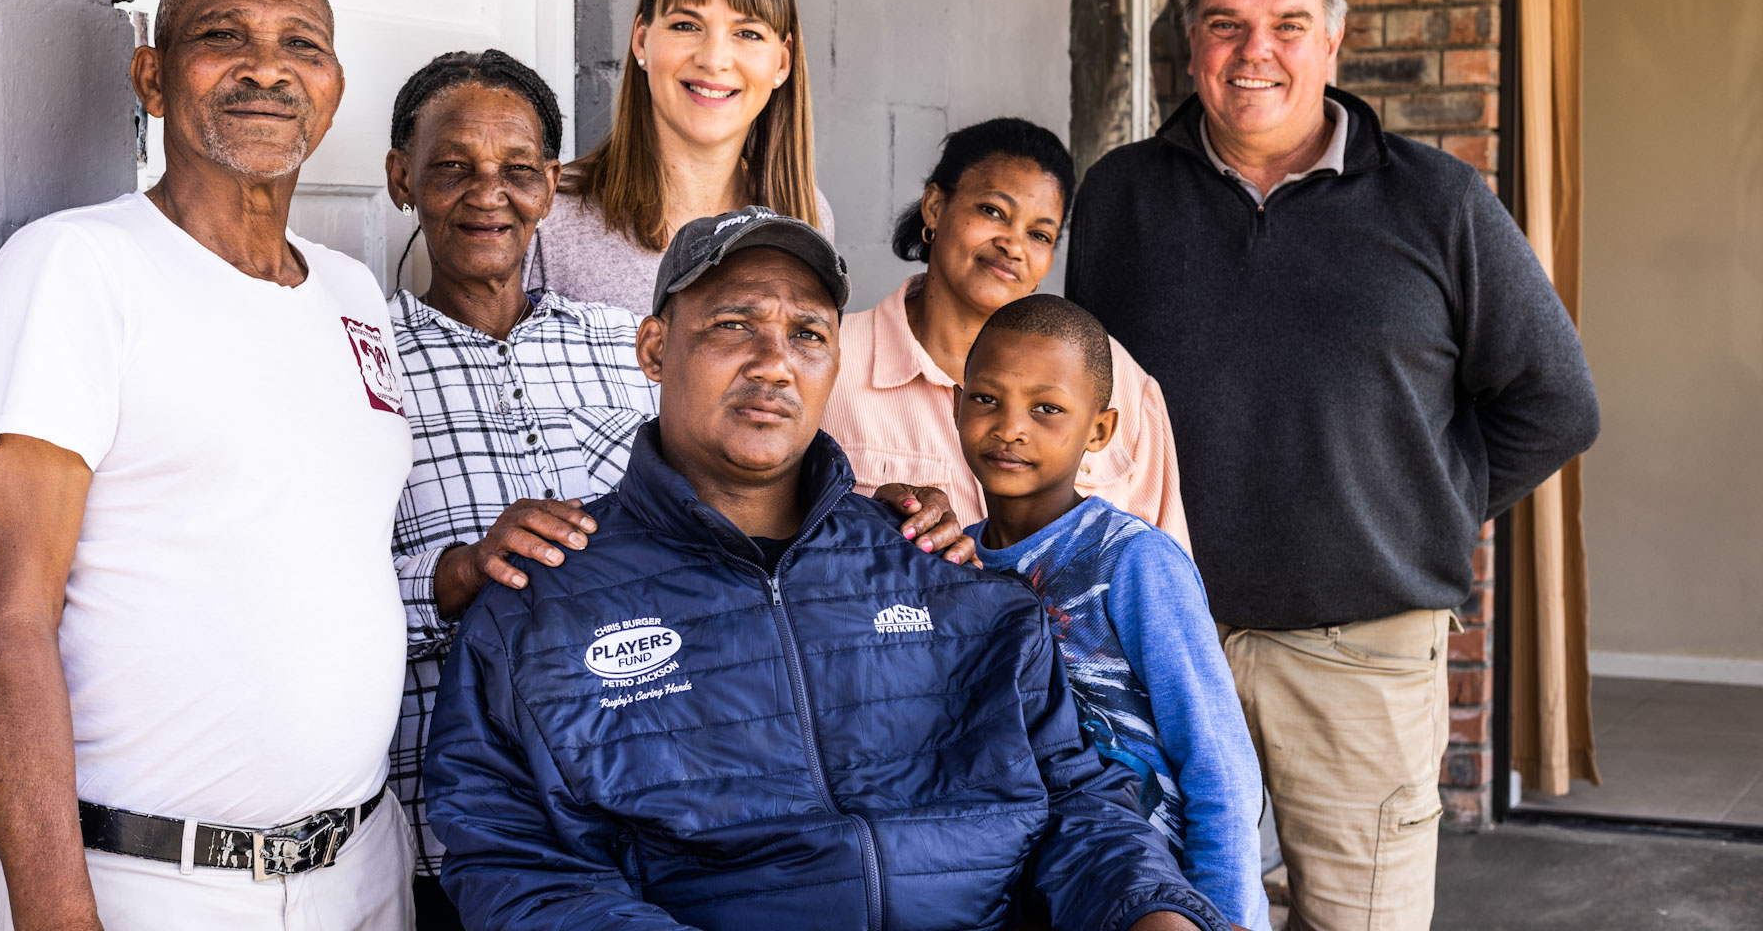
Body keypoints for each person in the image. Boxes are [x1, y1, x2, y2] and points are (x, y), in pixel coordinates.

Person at [423, 207, 1228, 931]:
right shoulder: (541, 601)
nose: (775, 363)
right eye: (734, 324)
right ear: (655, 348)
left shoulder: (937, 568)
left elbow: (1075, 803)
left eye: (808, 334)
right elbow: (514, 864)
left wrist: (1151, 909)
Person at [1064, 0, 1601, 929]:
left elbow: (1556, 401)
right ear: (1191, 43)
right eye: (1225, 24)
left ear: (1333, 43)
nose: (1254, 52)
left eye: (1287, 25)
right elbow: (1084, 407)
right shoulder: (1121, 197)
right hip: (1161, 638)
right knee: (1158, 909)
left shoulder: (1437, 202)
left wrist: (1419, 508)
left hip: (1360, 652)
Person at [379, 51, 977, 929]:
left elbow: (744, 495)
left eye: (518, 171)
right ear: (402, 179)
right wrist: (455, 575)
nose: (488, 195)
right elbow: (307, 606)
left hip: (646, 823)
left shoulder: (618, 341)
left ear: (550, 187)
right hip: (445, 828)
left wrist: (866, 527)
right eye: (452, 167)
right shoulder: (361, 360)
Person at [0, 0, 414, 929]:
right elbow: (5, 625)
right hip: (159, 883)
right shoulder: (77, 269)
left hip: (366, 866)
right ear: (152, 79)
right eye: (222, 36)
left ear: (332, 89)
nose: (267, 68)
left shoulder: (352, 293)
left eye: (302, 44)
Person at [958, 296, 1267, 930]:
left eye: (1046, 409)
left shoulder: (1131, 560)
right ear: (957, 406)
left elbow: (1218, 759)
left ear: (1099, 431)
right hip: (1031, 889)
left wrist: (1224, 912)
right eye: (987, 399)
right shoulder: (952, 565)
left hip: (1161, 898)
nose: (1010, 427)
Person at [823, 118, 1190, 544]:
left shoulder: (1114, 376)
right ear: (935, 207)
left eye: (1039, 234)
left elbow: (1169, 561)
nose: (1013, 246)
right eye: (992, 211)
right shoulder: (832, 364)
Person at [525, 0, 834, 314]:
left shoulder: (808, 217)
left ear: (782, 63)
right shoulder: (550, 215)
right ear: (642, 41)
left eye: (747, 33)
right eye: (686, 25)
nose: (714, 59)